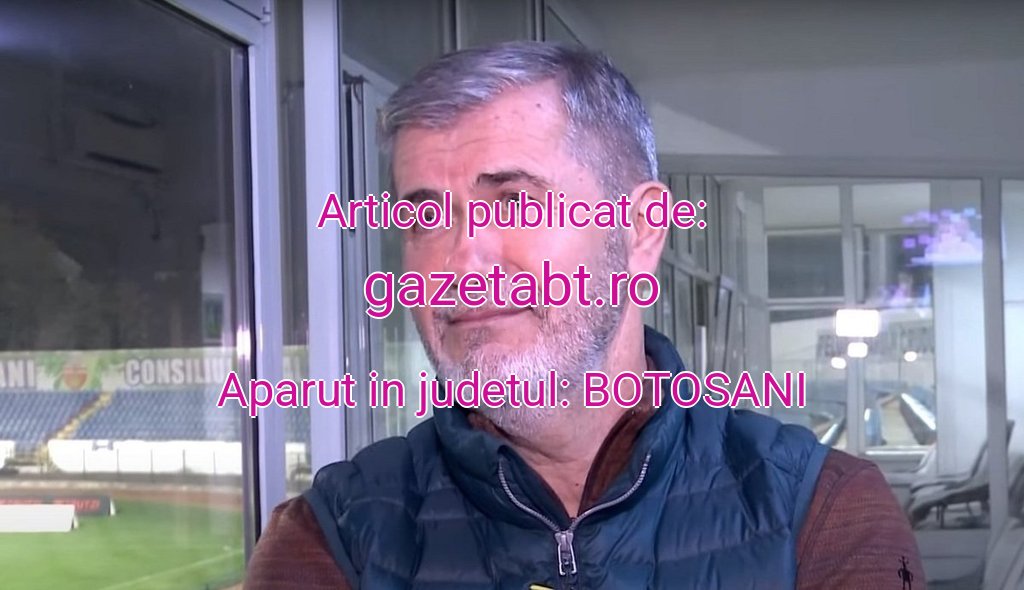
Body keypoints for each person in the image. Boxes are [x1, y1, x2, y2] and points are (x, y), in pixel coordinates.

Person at [246, 41, 923, 589]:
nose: (461, 260)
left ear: (641, 231)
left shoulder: (824, 514)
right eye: (424, 216)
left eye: (514, 201)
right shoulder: (334, 537)